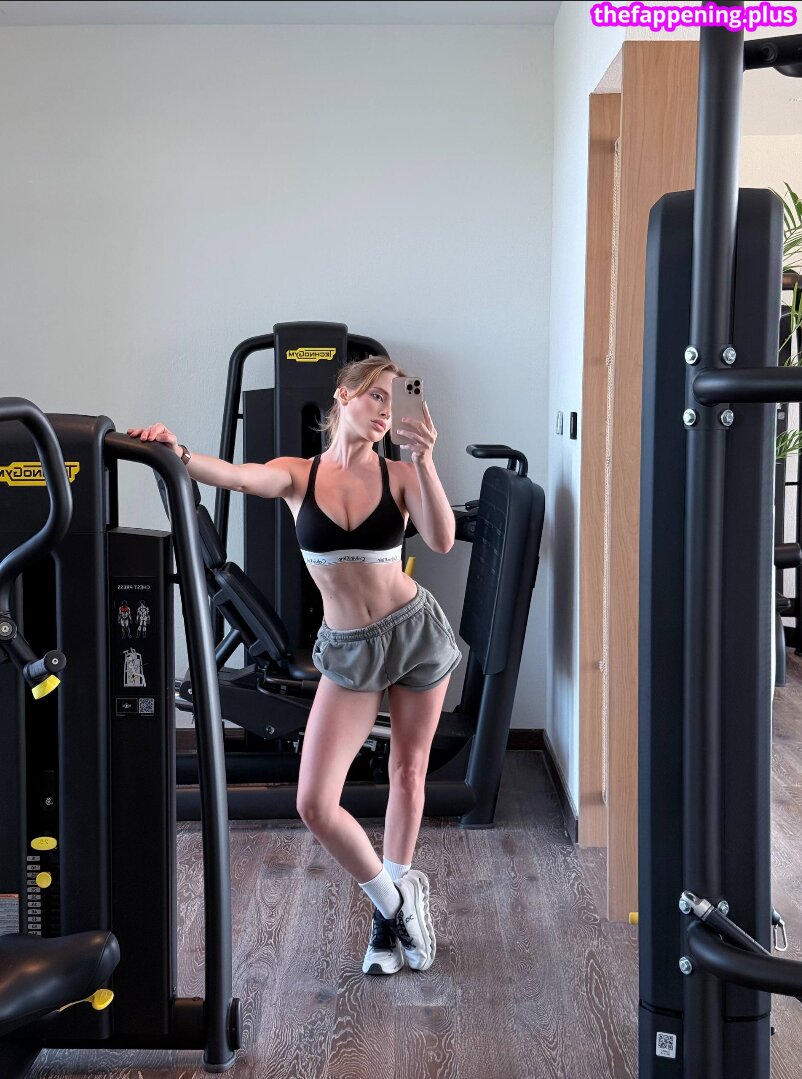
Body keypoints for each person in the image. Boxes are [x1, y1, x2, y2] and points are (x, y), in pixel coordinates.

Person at [127, 355, 461, 976]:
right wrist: (177, 451)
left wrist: (426, 460)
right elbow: (233, 476)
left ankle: (387, 923)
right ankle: (395, 903)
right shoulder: (297, 475)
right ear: (344, 396)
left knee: (408, 771)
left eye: (395, 402)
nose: (386, 411)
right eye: (377, 397)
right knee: (314, 802)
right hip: (350, 649)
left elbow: (441, 540)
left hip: (415, 633)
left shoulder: (401, 474)